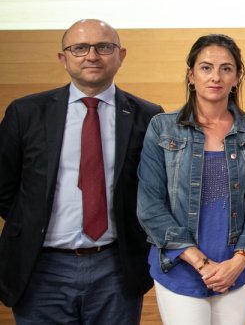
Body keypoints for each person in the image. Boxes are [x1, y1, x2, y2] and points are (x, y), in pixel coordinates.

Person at [0, 19, 163, 325]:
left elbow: (153, 189)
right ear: (63, 58)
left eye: (104, 47)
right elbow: (5, 188)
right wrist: (32, 222)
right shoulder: (26, 112)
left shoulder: (148, 115)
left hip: (115, 267)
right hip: (41, 268)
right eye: (79, 48)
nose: (92, 56)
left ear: (121, 55)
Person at [136, 34, 245, 324]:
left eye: (226, 68)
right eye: (206, 67)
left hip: (235, 267)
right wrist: (202, 262)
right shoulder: (162, 129)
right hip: (179, 265)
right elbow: (150, 206)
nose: (216, 77)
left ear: (237, 77)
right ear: (191, 76)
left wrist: (240, 259)